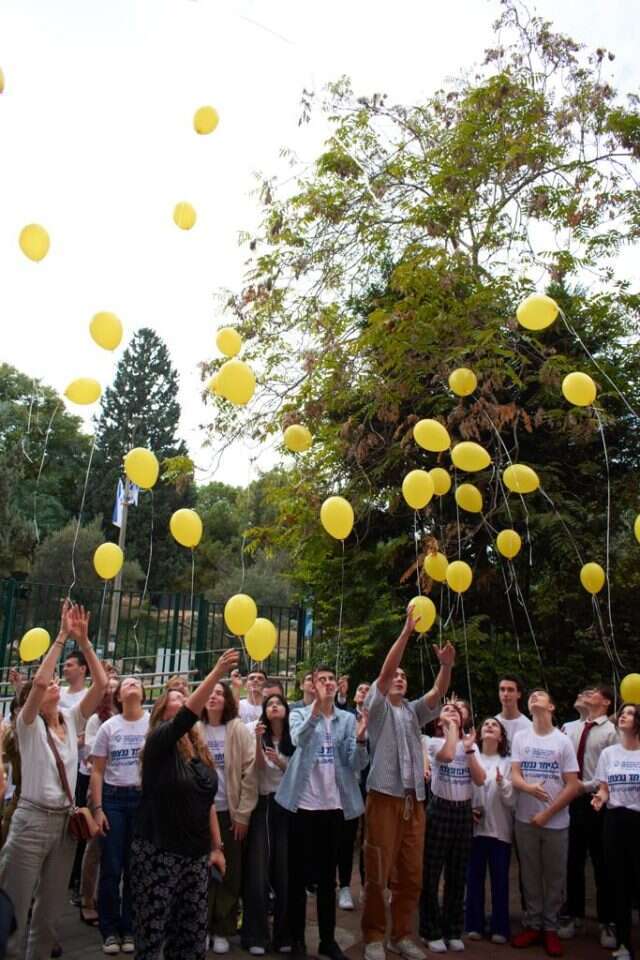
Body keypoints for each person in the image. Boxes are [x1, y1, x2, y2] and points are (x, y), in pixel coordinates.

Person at [0, 601, 107, 960]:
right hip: (30, 822)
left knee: (48, 916)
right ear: (33, 697)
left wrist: (86, 641)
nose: (54, 685)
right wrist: (62, 635)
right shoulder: (28, 727)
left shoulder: (72, 719)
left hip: (64, 826)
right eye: (47, 687)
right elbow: (42, 679)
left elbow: (103, 684)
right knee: (13, 911)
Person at [130, 648, 237, 960]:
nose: (183, 711)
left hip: (194, 859)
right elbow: (187, 716)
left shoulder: (199, 754)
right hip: (158, 855)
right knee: (152, 940)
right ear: (164, 716)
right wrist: (216, 672)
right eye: (174, 708)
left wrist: (216, 848)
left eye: (185, 704)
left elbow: (207, 804)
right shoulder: (157, 745)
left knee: (190, 942)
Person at [361, 605, 454, 960]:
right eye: (395, 675)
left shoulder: (413, 712)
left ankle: (400, 935)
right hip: (383, 798)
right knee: (377, 872)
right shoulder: (379, 707)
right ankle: (373, 936)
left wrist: (445, 665)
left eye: (404, 676)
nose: (399, 678)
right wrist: (406, 633)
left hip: (414, 803)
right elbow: (384, 675)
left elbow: (437, 693)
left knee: (411, 876)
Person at [277, 665, 369, 960]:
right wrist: (317, 709)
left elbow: (356, 765)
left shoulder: (346, 719)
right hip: (302, 806)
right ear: (313, 685)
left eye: (331, 679)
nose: (329, 683)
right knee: (298, 877)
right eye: (322, 680)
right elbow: (299, 741)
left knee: (328, 878)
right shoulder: (299, 713)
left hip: (334, 808)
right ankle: (297, 941)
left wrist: (361, 739)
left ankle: (328, 941)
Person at [511, 689, 580, 958]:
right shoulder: (520, 737)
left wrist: (548, 813)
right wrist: (528, 788)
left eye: (539, 695)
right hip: (524, 819)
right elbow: (515, 775)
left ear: (551, 706)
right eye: (531, 696)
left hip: (555, 823)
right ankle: (533, 924)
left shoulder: (562, 741)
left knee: (554, 877)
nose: (533, 697)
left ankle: (550, 928)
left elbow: (573, 784)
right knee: (529, 875)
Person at [91, 676, 150, 954]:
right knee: (112, 867)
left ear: (144, 692)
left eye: (137, 683)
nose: (132, 685)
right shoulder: (108, 727)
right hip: (113, 799)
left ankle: (130, 927)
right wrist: (98, 808)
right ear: (117, 695)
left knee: (136, 867)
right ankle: (109, 929)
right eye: (126, 683)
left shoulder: (152, 724)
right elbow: (98, 771)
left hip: (141, 800)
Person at [421, 703, 486, 953]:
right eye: (445, 710)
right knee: (431, 874)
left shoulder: (471, 746)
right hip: (440, 810)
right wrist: (452, 733)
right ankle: (430, 930)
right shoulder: (433, 742)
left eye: (455, 711)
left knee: (458, 875)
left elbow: (480, 779)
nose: (451, 712)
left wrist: (469, 750)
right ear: (438, 721)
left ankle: (452, 929)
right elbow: (447, 756)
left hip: (463, 812)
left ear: (464, 718)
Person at [201, 681, 258, 954]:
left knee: (229, 872)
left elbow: (250, 772)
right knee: (200, 871)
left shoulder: (236, 730)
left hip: (229, 813)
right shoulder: (193, 728)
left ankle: (222, 927)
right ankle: (199, 925)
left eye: (219, 693)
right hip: (198, 815)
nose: (213, 697)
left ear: (228, 700)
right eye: (209, 693)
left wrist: (243, 814)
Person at [558, 685, 617, 948]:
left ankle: (607, 921)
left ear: (606, 702)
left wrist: (588, 786)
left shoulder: (610, 731)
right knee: (572, 860)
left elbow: (613, 767)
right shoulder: (569, 728)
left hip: (597, 802)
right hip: (570, 800)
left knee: (602, 862)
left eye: (594, 692)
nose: (587, 694)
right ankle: (574, 915)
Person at [242, 693, 294, 955]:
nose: (274, 706)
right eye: (269, 704)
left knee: (284, 871)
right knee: (258, 870)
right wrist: (257, 742)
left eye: (279, 703)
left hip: (285, 807)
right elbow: (257, 769)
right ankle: (256, 936)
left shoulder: (292, 738)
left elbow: (296, 772)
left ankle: (284, 935)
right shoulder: (257, 733)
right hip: (262, 804)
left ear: (285, 710)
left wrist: (281, 760)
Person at [592, 702, 640, 960]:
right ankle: (623, 944)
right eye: (622, 713)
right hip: (614, 821)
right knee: (618, 884)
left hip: (638, 820)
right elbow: (604, 787)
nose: (624, 717)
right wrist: (600, 798)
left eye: (631, 713)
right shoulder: (609, 754)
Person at [464, 717, 513, 945]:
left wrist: (503, 783)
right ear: (480, 734)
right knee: (474, 879)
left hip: (500, 830)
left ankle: (500, 926)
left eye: (495, 725)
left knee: (500, 881)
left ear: (501, 736)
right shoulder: (470, 756)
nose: (490, 726)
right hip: (475, 831)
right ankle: (473, 923)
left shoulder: (508, 762)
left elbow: (512, 801)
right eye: (486, 725)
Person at [78, 676, 119, 927]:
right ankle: (86, 898)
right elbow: (93, 754)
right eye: (109, 687)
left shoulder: (130, 716)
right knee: (95, 844)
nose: (113, 690)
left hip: (122, 787)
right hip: (100, 786)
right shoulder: (97, 719)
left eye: (116, 686)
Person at [337, 681, 370, 911]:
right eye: (361, 689)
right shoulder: (346, 716)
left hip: (369, 786)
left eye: (368, 690)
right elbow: (338, 709)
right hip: (345, 785)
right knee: (344, 838)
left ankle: (368, 886)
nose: (364, 693)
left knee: (369, 839)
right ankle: (344, 886)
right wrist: (341, 695)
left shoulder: (378, 718)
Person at [495, 676, 531, 751]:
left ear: (519, 694)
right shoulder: (492, 724)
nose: (505, 694)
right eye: (502, 689)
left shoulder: (529, 726)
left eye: (510, 690)